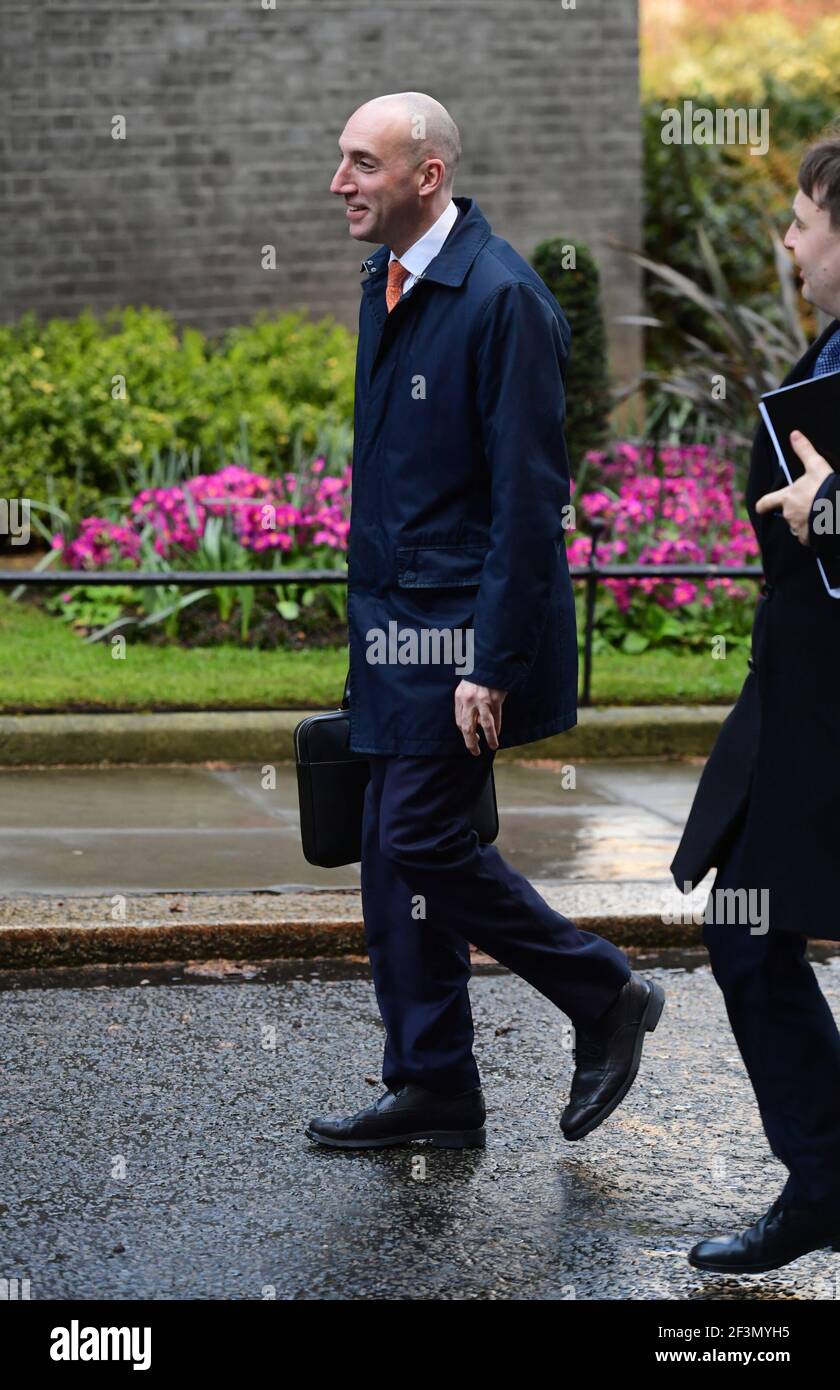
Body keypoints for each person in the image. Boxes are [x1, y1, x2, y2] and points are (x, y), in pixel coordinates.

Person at [305, 91, 664, 1151]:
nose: (339, 184)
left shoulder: (503, 298)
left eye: (362, 164)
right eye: (341, 161)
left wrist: (491, 664)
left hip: (459, 639)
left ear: (428, 174)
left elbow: (528, 498)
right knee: (389, 850)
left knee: (420, 835)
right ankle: (433, 1086)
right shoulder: (390, 277)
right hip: (393, 626)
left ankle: (602, 993)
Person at [671, 133, 840, 1274]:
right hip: (802, 697)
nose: (787, 239)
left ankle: (827, 1174)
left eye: (802, 221)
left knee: (749, 925)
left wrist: (830, 509)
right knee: (745, 922)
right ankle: (827, 1172)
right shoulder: (830, 346)